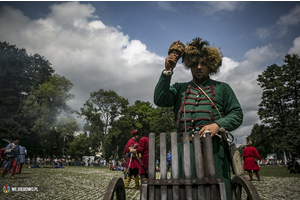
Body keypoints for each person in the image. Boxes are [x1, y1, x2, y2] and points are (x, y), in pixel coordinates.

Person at [154, 38, 243, 200]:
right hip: (183, 151)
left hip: (215, 150)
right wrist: (167, 71)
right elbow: (160, 99)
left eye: (203, 63)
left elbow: (237, 114)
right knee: (183, 192)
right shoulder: (180, 88)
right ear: (189, 66)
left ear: (211, 65)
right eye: (195, 63)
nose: (199, 67)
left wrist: (217, 124)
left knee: (217, 192)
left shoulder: (223, 88)